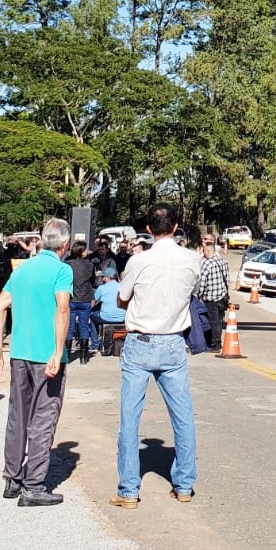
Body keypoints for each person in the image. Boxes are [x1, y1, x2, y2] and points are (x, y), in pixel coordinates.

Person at [110, 202, 201, 509]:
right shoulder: (192, 259)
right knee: (182, 416)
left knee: (130, 418)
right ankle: (184, 484)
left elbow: (122, 298)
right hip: (173, 340)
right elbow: (190, 292)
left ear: (148, 229)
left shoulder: (138, 261)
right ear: (176, 227)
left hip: (141, 340)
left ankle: (129, 490)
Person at [0, 217, 73, 507]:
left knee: (18, 416)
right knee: (43, 417)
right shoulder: (62, 270)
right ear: (65, 244)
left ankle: (12, 478)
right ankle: (34, 486)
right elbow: (63, 308)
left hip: (20, 353)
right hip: (46, 355)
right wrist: (58, 352)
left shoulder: (23, 269)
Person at [190, 242, 228, 354]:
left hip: (210, 298)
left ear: (207, 251)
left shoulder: (207, 264)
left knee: (211, 322)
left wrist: (199, 294)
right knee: (218, 322)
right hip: (222, 296)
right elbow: (227, 278)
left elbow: (202, 281)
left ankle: (214, 344)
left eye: (204, 251)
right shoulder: (222, 261)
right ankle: (217, 342)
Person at [66, 235, 99, 361]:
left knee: (69, 326)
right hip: (85, 298)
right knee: (84, 326)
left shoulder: (68, 264)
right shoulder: (90, 265)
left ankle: (68, 355)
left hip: (72, 298)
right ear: (81, 251)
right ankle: (84, 357)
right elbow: (93, 281)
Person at [92, 271, 127, 355]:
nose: (102, 278)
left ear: (107, 278)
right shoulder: (122, 287)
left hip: (106, 317)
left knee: (92, 317)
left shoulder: (101, 288)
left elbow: (93, 302)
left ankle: (95, 345)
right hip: (122, 318)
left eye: (103, 277)